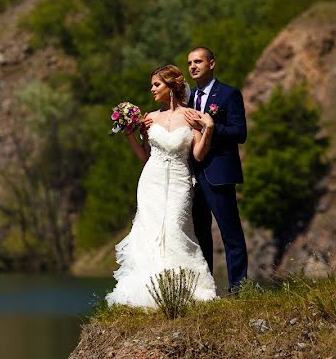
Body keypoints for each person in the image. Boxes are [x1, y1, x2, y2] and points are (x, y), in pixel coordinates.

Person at [105, 65, 218, 307]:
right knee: (150, 232)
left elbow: (198, 155)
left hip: (179, 179)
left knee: (176, 228)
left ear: (171, 86)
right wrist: (130, 135)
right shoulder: (150, 118)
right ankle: (151, 290)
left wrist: (208, 128)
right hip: (151, 180)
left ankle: (185, 288)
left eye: (156, 84)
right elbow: (146, 156)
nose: (152, 89)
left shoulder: (191, 116)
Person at [182, 47, 248, 291]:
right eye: (189, 63)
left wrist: (210, 126)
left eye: (198, 61)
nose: (193, 66)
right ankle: (205, 291)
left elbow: (240, 133)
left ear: (212, 64)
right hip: (191, 176)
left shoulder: (229, 94)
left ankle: (239, 290)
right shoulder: (187, 99)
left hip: (219, 174)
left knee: (231, 235)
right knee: (200, 236)